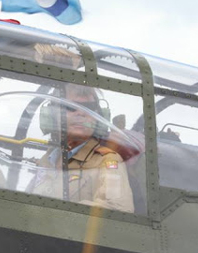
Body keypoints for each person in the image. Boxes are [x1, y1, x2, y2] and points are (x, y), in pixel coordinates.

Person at [30, 84, 134, 212]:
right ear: (52, 114)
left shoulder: (107, 160)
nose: (81, 113)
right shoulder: (47, 159)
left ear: (98, 117)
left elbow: (117, 209)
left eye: (89, 107)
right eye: (71, 106)